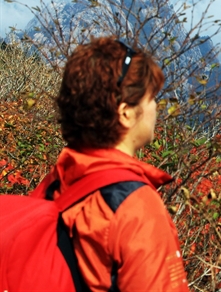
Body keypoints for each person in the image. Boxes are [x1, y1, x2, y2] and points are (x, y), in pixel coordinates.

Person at [31, 37, 189, 292]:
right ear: (126, 113)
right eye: (151, 98)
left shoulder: (57, 180)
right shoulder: (135, 206)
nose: (156, 107)